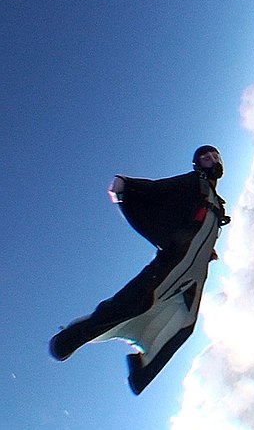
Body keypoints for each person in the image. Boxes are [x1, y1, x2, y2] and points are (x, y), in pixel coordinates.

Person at [49, 145, 231, 394]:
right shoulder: (193, 182)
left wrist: (207, 250)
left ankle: (141, 371)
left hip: (195, 271)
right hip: (174, 261)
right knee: (136, 302)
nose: (210, 160)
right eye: (205, 157)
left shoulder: (215, 201)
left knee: (183, 325)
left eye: (214, 156)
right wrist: (127, 187)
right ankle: (69, 339)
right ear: (198, 164)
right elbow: (159, 190)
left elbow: (198, 226)